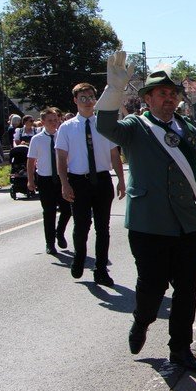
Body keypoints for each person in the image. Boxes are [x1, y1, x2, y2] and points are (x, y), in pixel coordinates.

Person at [95, 52, 196, 372]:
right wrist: (113, 90)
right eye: (162, 93)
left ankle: (180, 349)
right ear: (148, 98)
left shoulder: (189, 131)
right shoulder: (135, 128)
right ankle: (142, 320)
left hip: (188, 225)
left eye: (173, 93)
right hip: (149, 225)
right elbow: (105, 126)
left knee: (186, 290)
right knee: (152, 289)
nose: (169, 98)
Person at [56, 83, 126, 286]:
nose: (87, 102)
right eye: (83, 98)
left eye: (91, 97)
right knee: (81, 225)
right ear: (75, 101)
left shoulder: (104, 125)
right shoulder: (67, 127)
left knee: (103, 228)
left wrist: (121, 180)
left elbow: (115, 155)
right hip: (79, 181)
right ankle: (79, 257)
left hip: (102, 180)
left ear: (96, 100)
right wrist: (64, 183)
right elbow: (61, 158)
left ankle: (101, 270)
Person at [26, 107, 71, 254]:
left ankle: (60, 232)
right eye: (50, 120)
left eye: (55, 120)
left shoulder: (63, 136)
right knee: (49, 212)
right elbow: (31, 161)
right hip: (45, 179)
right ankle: (50, 244)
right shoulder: (37, 139)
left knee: (67, 210)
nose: (53, 122)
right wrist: (30, 180)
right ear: (43, 122)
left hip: (62, 178)